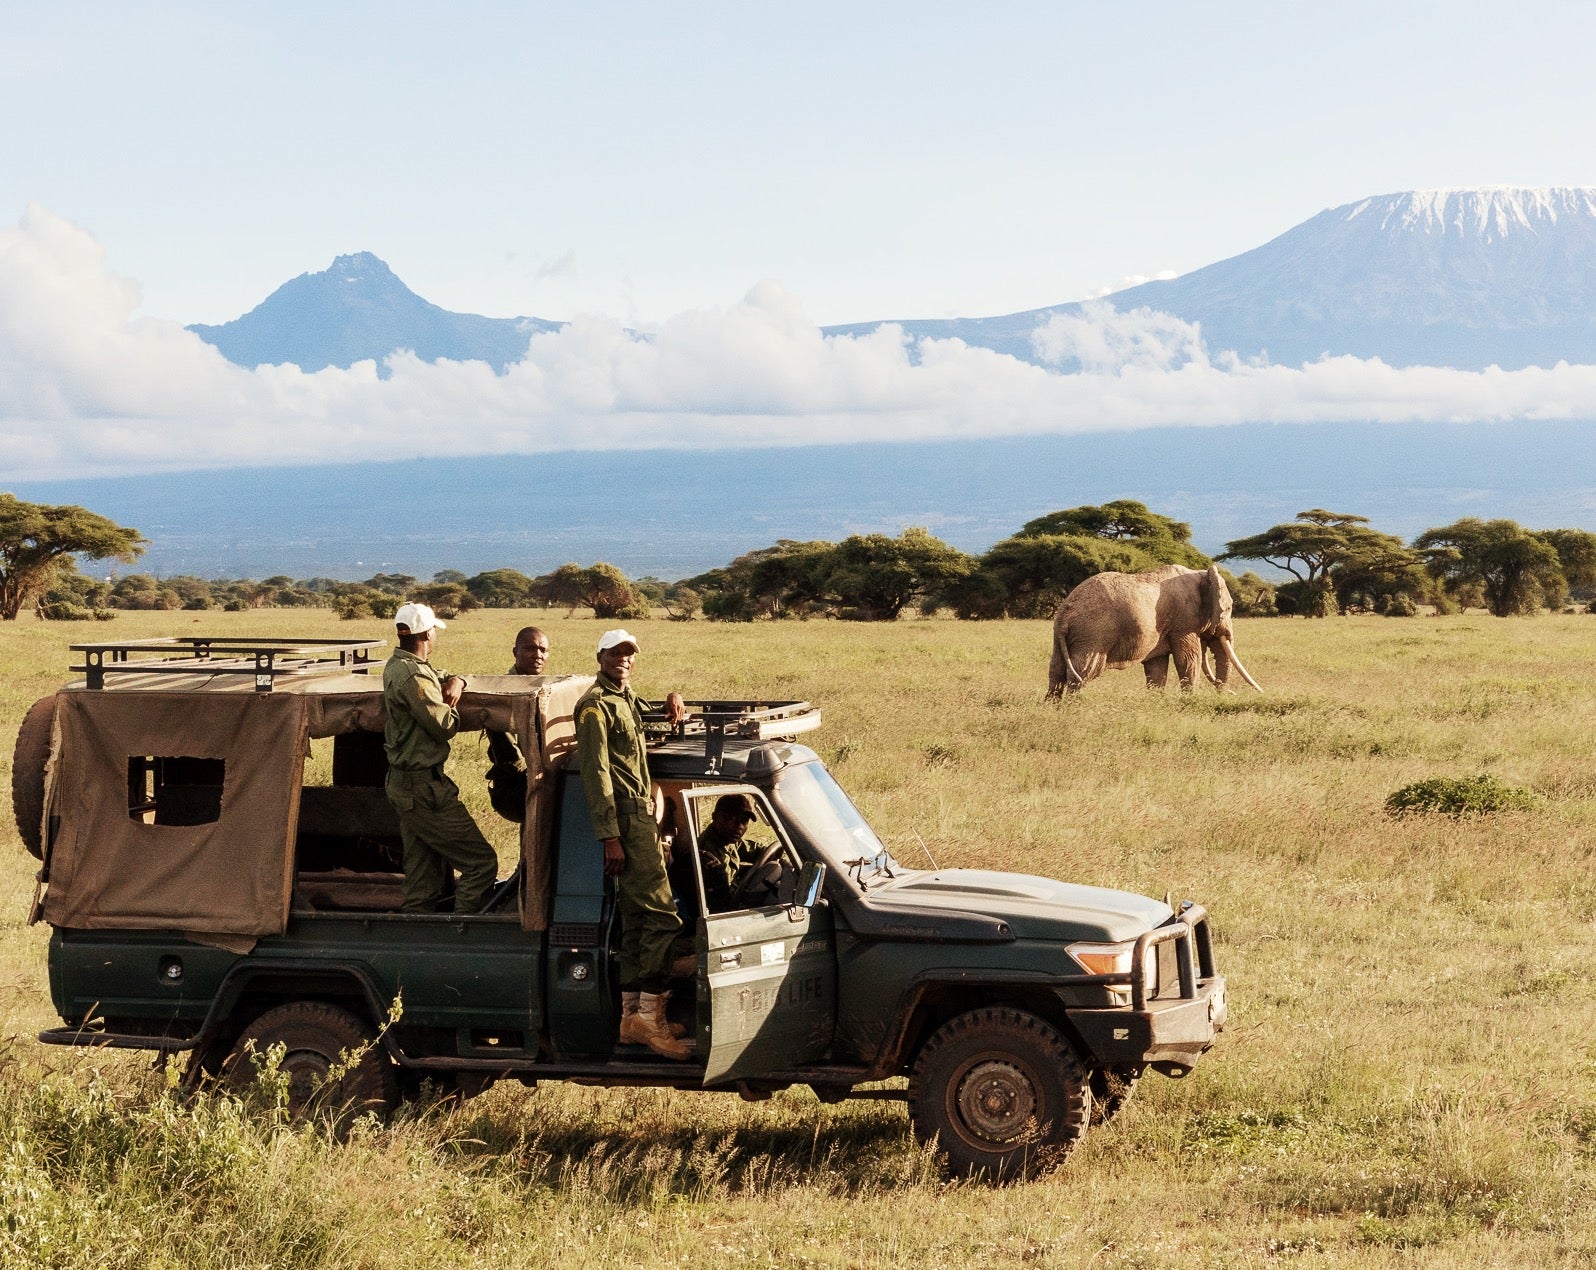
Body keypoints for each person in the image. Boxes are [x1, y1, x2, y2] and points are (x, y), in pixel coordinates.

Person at [575, 628, 691, 1060]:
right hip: (625, 818)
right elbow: (596, 775)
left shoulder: (626, 698)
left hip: (642, 814)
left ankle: (631, 1019)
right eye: (615, 653)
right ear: (600, 656)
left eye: (629, 654)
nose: (623, 659)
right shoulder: (594, 706)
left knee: (638, 923)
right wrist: (610, 837)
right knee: (664, 917)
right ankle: (651, 1016)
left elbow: (653, 716)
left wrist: (674, 695)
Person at [382, 602, 499, 914]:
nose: (435, 635)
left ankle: (418, 938)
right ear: (426, 634)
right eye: (433, 630)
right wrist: (454, 706)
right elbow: (443, 725)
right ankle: (463, 929)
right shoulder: (413, 677)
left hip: (406, 785)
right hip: (424, 789)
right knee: (481, 864)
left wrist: (456, 680)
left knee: (423, 880)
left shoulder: (402, 665)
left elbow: (436, 676)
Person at [484, 626, 550, 820]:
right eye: (530, 648)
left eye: (543, 650)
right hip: (517, 781)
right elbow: (506, 749)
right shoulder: (504, 691)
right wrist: (534, 776)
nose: (537, 655)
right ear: (515, 652)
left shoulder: (542, 686)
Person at [670, 792, 759, 927]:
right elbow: (723, 906)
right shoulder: (706, 858)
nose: (739, 826)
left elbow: (755, 849)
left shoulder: (728, 839)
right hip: (715, 920)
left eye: (744, 821)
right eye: (731, 818)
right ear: (714, 817)